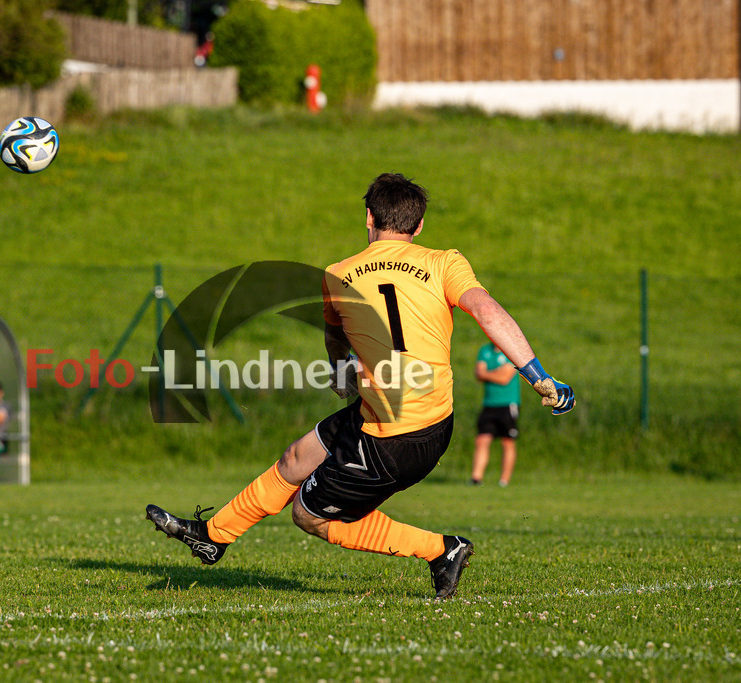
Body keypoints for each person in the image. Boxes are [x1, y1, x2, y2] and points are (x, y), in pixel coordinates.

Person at [146, 173, 575, 600]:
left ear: (368, 217)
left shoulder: (338, 274)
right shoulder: (444, 262)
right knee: (295, 458)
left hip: (394, 439)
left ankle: (443, 550)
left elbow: (335, 336)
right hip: (417, 419)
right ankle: (214, 535)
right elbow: (486, 310)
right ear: (419, 225)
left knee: (307, 515)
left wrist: (338, 371)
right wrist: (537, 374)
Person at [470, 341, 521, 486]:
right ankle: (476, 478)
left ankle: (504, 480)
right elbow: (479, 374)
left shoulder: (511, 351)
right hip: (489, 403)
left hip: (508, 402)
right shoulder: (485, 350)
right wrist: (497, 372)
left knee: (507, 441)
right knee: (482, 439)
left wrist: (487, 374)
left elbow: (505, 378)